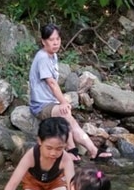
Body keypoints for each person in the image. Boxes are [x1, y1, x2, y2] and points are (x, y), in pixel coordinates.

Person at [29, 23, 112, 162]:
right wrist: (63, 102)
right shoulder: (42, 57)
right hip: (40, 105)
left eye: (57, 39)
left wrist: (62, 102)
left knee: (69, 119)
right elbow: (52, 84)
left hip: (50, 102)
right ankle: (78, 151)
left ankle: (89, 151)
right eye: (51, 40)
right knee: (65, 113)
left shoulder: (52, 56)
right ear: (43, 41)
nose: (55, 43)